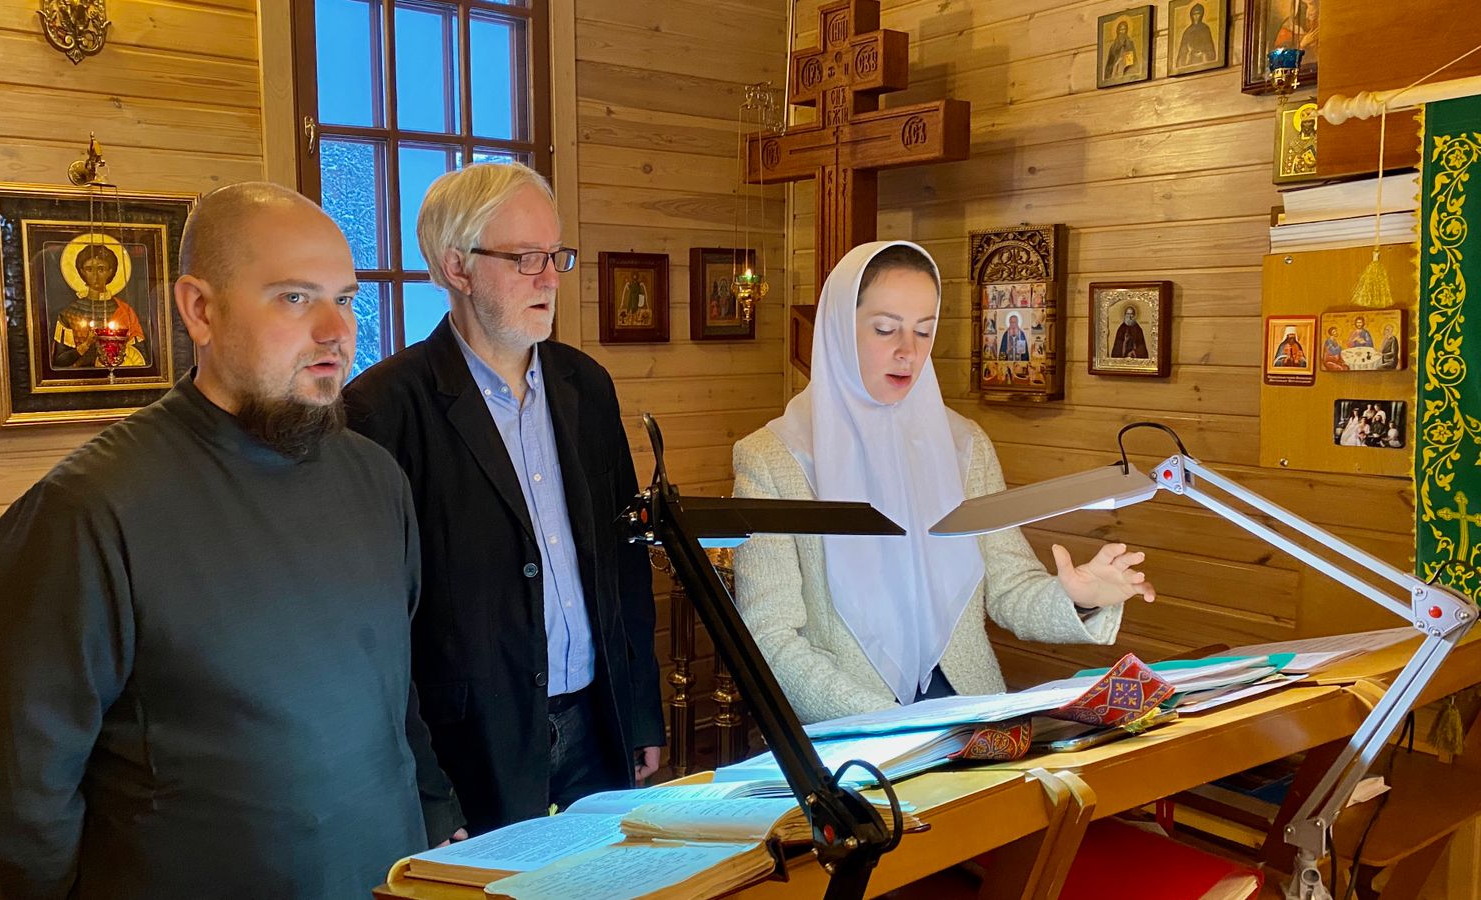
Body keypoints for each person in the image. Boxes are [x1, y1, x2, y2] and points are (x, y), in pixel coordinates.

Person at [0, 183, 452, 899]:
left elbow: (395, 696)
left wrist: (435, 816)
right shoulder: (86, 511)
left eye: (345, 298)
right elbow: (13, 798)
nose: (336, 331)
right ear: (200, 310)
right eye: (295, 298)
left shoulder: (374, 478)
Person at [344, 163, 664, 834]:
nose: (550, 279)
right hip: (470, 746)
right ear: (457, 267)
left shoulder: (586, 386)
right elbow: (375, 630)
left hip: (596, 722)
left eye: (555, 255)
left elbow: (623, 563)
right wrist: (427, 790)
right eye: (525, 259)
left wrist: (640, 712)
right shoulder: (383, 408)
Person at [731, 241, 1154, 724]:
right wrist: (885, 722)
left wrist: (1079, 597)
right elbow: (770, 638)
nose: (908, 351)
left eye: (924, 330)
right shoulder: (773, 460)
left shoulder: (964, 445)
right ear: (838, 330)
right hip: (857, 730)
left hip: (971, 716)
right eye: (885, 329)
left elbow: (1009, 588)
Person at [52, 240, 148, 369]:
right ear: (81, 271)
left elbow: (140, 357)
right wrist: (86, 345)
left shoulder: (125, 311)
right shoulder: (69, 314)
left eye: (101, 269)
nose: (95, 276)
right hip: (82, 378)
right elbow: (59, 361)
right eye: (89, 269)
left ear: (110, 271)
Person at [1176, 3, 1218, 67]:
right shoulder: (1188, 31)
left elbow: (1209, 46)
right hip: (1191, 58)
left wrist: (1203, 52)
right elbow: (1183, 50)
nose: (1196, 16)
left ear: (1201, 15)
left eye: (1198, 14)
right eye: (1194, 14)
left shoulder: (1205, 29)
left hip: (1203, 58)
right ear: (1191, 15)